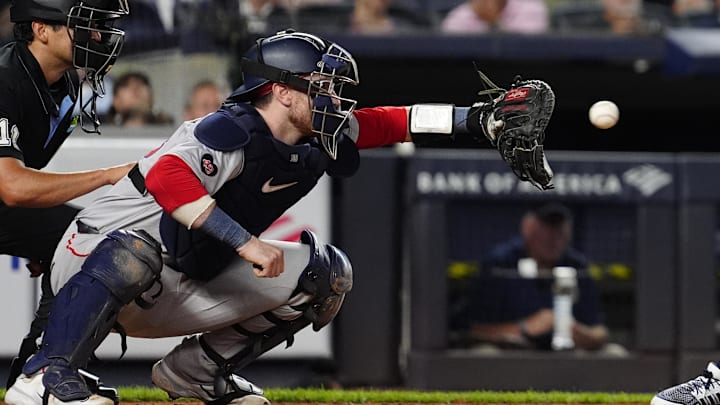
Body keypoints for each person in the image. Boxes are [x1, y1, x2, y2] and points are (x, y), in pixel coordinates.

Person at [4, 29, 556, 405]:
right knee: (134, 249)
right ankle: (47, 376)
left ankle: (195, 373)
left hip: (178, 274)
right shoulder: (229, 129)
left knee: (327, 273)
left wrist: (477, 120)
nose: (335, 100)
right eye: (322, 88)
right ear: (282, 91)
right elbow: (169, 179)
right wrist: (244, 243)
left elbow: (396, 121)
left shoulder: (319, 133)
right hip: (94, 257)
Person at [0, 0, 135, 389]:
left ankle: (43, 372)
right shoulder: (5, 80)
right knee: (81, 239)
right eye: (86, 25)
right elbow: (12, 186)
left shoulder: (66, 84)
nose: (97, 35)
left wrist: (50, 243)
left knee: (83, 242)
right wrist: (107, 175)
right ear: (41, 30)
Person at [455, 203, 609, 351]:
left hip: (567, 355)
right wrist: (527, 327)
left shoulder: (576, 266)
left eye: (559, 231)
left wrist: (579, 332)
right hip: (509, 355)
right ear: (527, 228)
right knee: (484, 353)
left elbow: (600, 331)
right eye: (546, 229)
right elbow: (475, 330)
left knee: (613, 353)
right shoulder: (500, 264)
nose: (553, 238)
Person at [103, 71, 174, 127]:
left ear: (151, 98)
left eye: (142, 84)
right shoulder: (101, 132)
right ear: (115, 100)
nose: (135, 88)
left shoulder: (169, 131)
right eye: (126, 85)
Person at [441, 0, 549, 34]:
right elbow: (449, 42)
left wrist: (495, 22)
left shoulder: (530, 6)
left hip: (521, 74)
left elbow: (526, 47)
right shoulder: (465, 12)